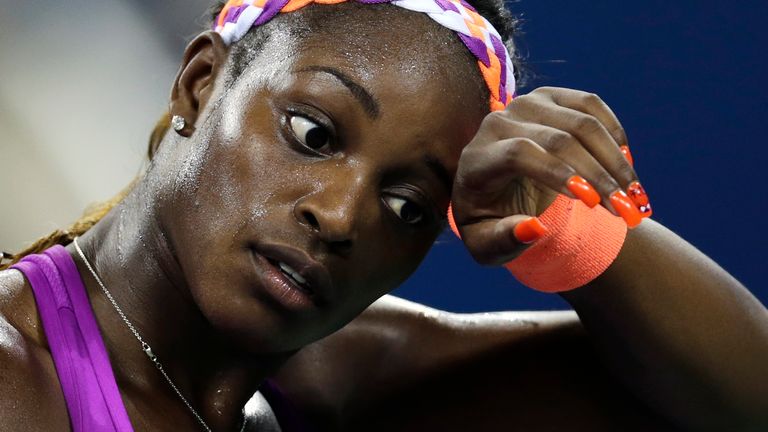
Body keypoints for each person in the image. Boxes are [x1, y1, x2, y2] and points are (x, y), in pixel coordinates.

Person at [1, 0, 766, 430]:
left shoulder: (339, 378)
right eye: (313, 134)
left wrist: (571, 229)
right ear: (199, 85)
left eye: (407, 204)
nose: (339, 218)